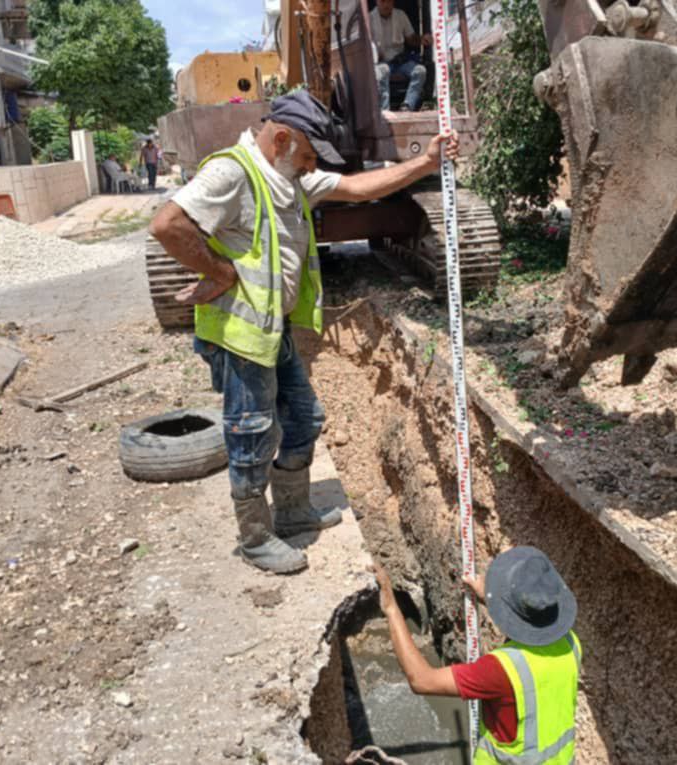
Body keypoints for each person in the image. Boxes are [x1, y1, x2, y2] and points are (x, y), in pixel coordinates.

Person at [148, 91, 459, 575]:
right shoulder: (232, 172)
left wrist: (426, 163)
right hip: (240, 335)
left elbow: (356, 188)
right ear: (281, 139)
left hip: (274, 330)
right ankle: (255, 538)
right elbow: (167, 225)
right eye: (310, 156)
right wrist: (220, 272)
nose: (314, 167)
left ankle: (292, 512)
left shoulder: (289, 177)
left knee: (304, 418)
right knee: (252, 433)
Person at [373, 547, 582, 764]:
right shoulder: (570, 643)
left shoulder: (501, 670)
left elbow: (422, 680)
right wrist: (495, 602)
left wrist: (391, 608)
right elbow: (534, 639)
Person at [370, 0, 432, 111]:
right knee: (382, 71)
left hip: (399, 62)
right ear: (377, 2)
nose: (386, 5)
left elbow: (411, 39)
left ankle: (407, 106)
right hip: (380, 62)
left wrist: (422, 39)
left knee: (420, 71)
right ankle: (384, 111)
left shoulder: (400, 15)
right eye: (382, 1)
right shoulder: (369, 19)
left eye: (388, 1)